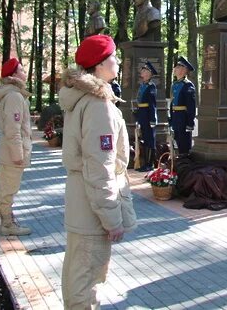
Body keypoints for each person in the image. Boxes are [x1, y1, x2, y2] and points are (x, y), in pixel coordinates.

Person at [59, 34, 136, 309]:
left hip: (82, 201)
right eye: (113, 57)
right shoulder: (98, 105)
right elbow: (100, 167)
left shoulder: (84, 99)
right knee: (85, 279)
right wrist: (111, 217)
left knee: (79, 274)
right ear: (100, 65)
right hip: (92, 209)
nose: (118, 61)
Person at [0, 58, 33, 236]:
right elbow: (13, 129)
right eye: (22, 70)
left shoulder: (13, 94)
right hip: (12, 152)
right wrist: (18, 154)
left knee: (8, 187)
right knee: (8, 188)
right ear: (14, 75)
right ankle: (7, 225)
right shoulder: (14, 96)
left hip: (11, 150)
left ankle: (7, 220)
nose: (25, 73)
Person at [135, 61, 159, 172]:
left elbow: (152, 104)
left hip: (148, 116)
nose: (142, 72)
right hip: (142, 114)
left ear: (149, 74)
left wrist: (153, 119)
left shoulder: (151, 87)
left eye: (145, 70)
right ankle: (145, 163)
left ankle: (150, 164)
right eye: (142, 70)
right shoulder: (143, 86)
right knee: (145, 139)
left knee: (150, 140)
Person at [170, 56, 196, 155]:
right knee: (177, 142)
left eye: (177, 67)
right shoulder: (175, 85)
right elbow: (173, 103)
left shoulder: (188, 85)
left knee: (184, 143)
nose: (175, 69)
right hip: (176, 117)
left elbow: (191, 106)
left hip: (183, 118)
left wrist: (190, 123)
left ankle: (185, 164)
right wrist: (171, 119)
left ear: (183, 70)